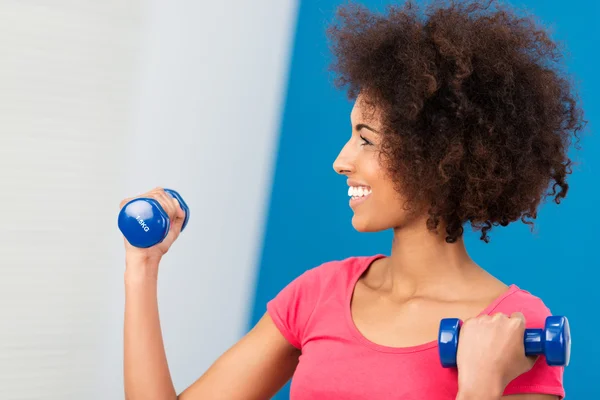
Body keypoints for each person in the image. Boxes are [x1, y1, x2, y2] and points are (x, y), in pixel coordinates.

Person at [121, 0, 585, 399]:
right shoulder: (318, 294)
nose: (341, 161)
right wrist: (142, 266)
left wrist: (480, 385)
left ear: (439, 154)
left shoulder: (515, 328)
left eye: (366, 139)